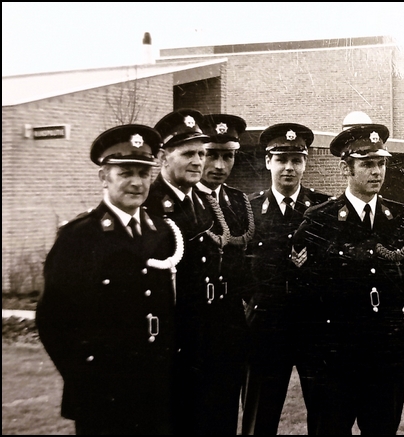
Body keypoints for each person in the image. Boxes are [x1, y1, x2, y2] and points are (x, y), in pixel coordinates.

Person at [36, 124, 182, 435]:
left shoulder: (161, 232)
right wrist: (83, 377)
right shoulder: (79, 236)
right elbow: (53, 319)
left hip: (155, 386)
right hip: (102, 390)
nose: (136, 182)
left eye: (143, 174)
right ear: (104, 176)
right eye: (125, 173)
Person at [291, 123, 404, 434]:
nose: (377, 172)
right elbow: (304, 290)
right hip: (335, 358)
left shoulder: (399, 217)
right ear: (347, 168)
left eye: (381, 163)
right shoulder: (320, 219)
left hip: (385, 354)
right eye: (367, 164)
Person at [144, 108, 235, 434]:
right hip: (178, 349)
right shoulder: (151, 207)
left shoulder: (201, 201)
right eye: (188, 153)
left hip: (213, 343)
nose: (200, 161)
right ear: (163, 158)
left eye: (202, 152)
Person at [242, 122, 331, 435]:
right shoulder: (248, 210)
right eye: (281, 160)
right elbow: (238, 270)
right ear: (268, 162)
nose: (289, 168)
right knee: (258, 420)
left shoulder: (325, 209)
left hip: (315, 330)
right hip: (266, 331)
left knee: (325, 419)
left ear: (305, 163)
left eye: (297, 160)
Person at [195, 113, 255, 434]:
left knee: (225, 416)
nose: (219, 165)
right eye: (211, 155)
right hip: (194, 330)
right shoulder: (185, 202)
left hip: (230, 328)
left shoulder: (237, 202)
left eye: (227, 156)